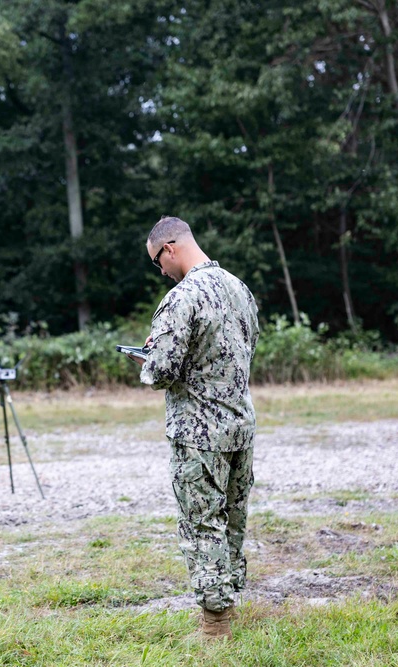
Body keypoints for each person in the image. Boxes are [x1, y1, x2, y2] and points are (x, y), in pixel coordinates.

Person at [130, 216, 259, 640]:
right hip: (240, 423)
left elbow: (163, 371)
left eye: (157, 262)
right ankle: (228, 601)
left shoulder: (181, 298)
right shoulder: (239, 288)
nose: (160, 271)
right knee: (232, 519)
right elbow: (238, 353)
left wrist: (147, 362)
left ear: (169, 248)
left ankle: (214, 625)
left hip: (198, 432)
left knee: (202, 523)